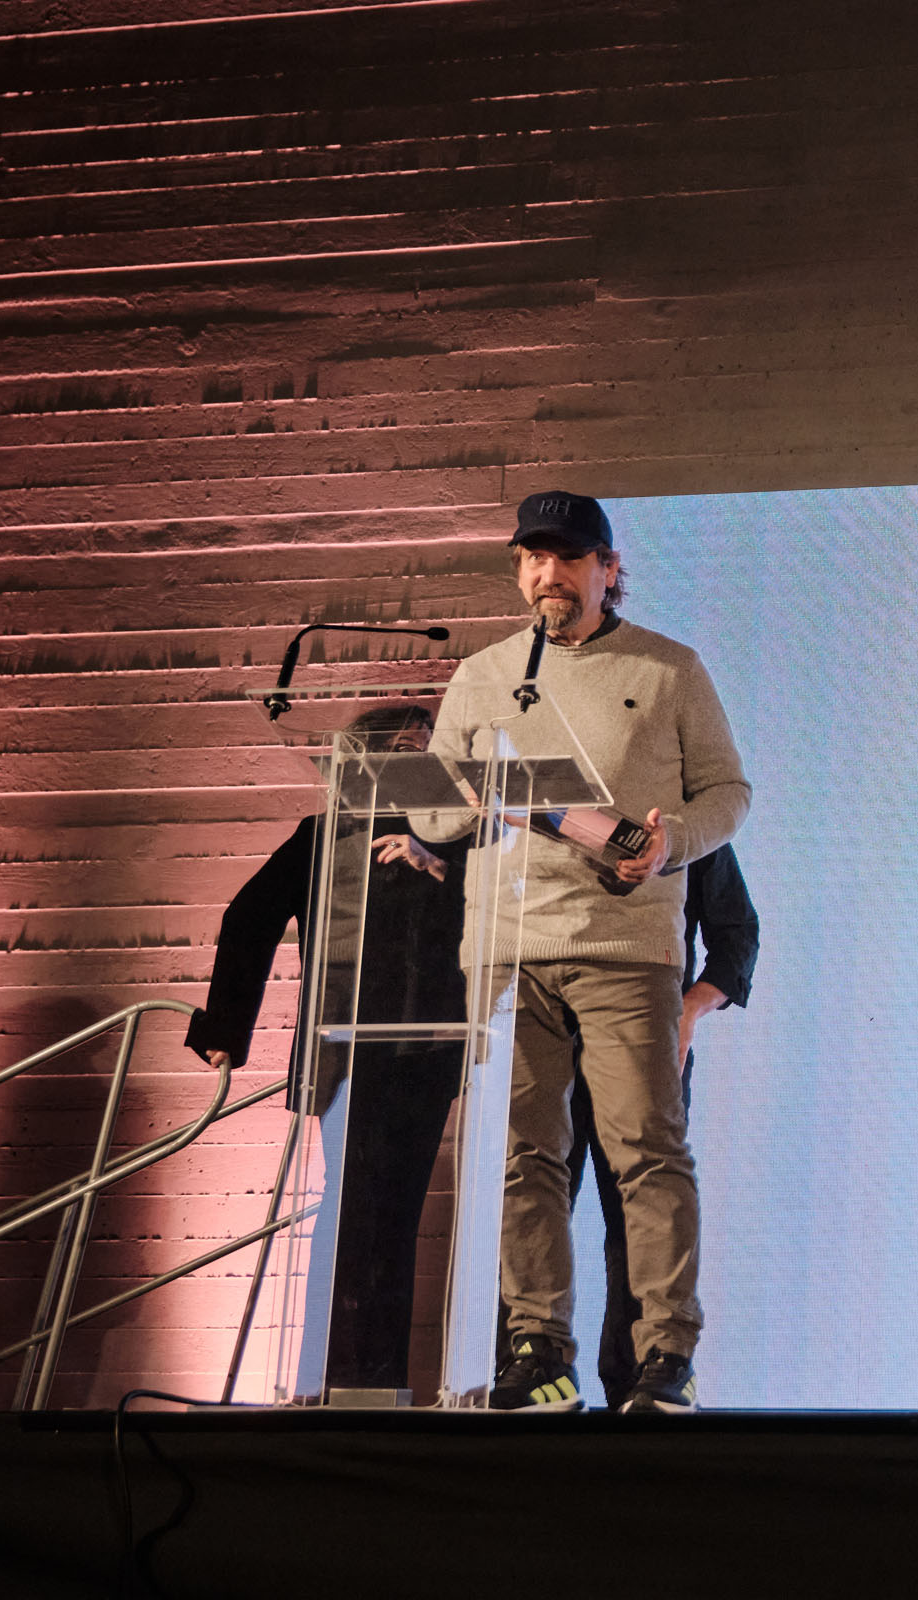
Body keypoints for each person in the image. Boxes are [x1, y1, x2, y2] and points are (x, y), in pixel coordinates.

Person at [415, 489, 751, 1414]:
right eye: (533, 557)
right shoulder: (482, 676)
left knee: (647, 1152)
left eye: (567, 557)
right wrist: (457, 803)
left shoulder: (670, 668)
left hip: (623, 946)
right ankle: (539, 1352)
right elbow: (431, 814)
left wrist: (671, 844)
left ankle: (665, 1355)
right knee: (524, 1157)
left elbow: (729, 792)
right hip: (506, 949)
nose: (547, 574)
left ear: (609, 569)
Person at [187, 706, 465, 1395]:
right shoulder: (321, 835)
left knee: (397, 1212)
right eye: (403, 747)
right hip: (343, 1043)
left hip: (426, 1047)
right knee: (350, 1206)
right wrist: (225, 1030)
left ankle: (377, 1381)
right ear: (363, 757)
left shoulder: (450, 840)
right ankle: (326, 1375)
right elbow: (248, 918)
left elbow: (487, 917)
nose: (417, 759)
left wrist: (436, 865)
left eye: (425, 749)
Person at [563, 843, 759, 1412]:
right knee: (536, 1200)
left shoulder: (685, 829)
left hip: (645, 1043)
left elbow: (738, 935)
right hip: (547, 1038)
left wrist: (688, 1010)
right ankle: (535, 1363)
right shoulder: (546, 814)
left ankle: (644, 1378)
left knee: (640, 1214)